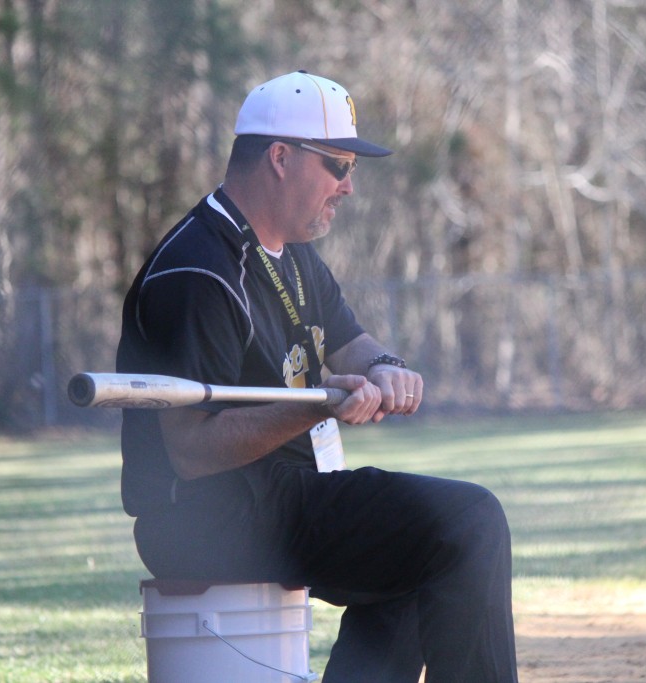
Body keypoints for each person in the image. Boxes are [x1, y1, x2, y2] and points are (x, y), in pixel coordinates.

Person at [116, 70, 519, 682]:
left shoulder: (291, 247)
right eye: (337, 165)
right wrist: (318, 405)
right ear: (280, 157)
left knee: (421, 546)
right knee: (466, 521)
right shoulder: (199, 272)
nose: (349, 186)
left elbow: (350, 341)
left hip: (276, 494)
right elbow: (192, 451)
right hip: (205, 514)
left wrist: (385, 368)